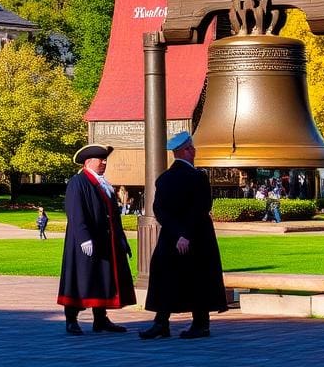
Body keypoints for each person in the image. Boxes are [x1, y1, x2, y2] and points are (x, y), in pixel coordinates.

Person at [140, 131, 227, 340]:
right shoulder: (198, 177)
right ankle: (200, 324)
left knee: (166, 277)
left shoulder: (164, 179)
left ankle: (161, 322)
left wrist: (177, 233)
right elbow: (200, 208)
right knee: (198, 278)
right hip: (197, 235)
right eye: (191, 148)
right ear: (187, 151)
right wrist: (186, 234)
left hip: (171, 235)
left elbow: (159, 210)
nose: (194, 151)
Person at [57, 144, 135, 335]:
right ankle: (71, 319)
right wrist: (84, 238)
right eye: (101, 159)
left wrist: (121, 239)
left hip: (105, 242)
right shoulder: (79, 182)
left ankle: (100, 319)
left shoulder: (103, 183)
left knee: (101, 278)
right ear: (89, 162)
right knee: (80, 279)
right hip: (84, 242)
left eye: (105, 159)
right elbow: (75, 211)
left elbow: (113, 216)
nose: (104, 163)